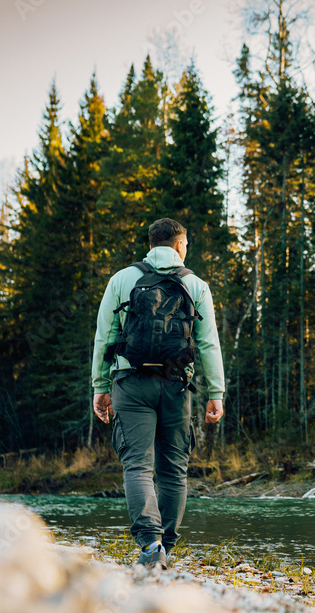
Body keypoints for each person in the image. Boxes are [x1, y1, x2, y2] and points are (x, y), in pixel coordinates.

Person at [91, 218, 224, 569]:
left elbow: (104, 337)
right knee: (174, 469)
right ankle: (166, 546)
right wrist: (216, 392)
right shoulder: (196, 285)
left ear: (150, 245)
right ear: (180, 245)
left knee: (137, 464)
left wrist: (100, 387)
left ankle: (151, 546)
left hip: (131, 383)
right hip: (176, 385)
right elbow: (208, 344)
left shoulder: (122, 280)